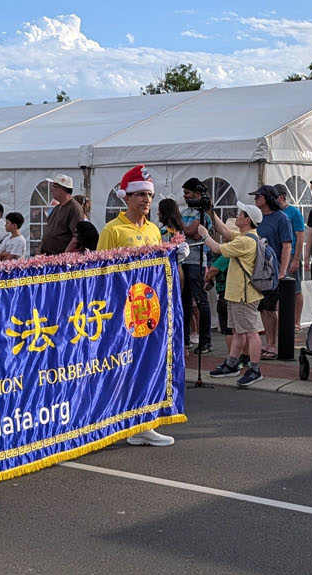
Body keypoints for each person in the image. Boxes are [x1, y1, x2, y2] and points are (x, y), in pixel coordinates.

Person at [95, 165, 173, 447]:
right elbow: (100, 272)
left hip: (147, 309)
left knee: (146, 364)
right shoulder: (112, 230)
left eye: (149, 195)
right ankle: (123, 420)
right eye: (139, 194)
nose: (145, 200)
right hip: (122, 309)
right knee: (124, 366)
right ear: (126, 197)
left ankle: (142, 423)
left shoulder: (153, 230)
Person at [201, 202, 267, 389]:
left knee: (251, 332)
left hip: (243, 295)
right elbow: (225, 232)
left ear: (247, 220)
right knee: (238, 331)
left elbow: (217, 248)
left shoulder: (245, 241)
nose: (237, 216)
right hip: (237, 294)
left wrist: (204, 234)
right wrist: (210, 211)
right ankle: (232, 364)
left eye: (240, 214)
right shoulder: (247, 237)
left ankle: (255, 369)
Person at [248, 184, 294, 359]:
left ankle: (273, 344)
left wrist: (282, 271)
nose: (255, 199)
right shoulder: (258, 217)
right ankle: (269, 342)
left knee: (270, 307)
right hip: (258, 270)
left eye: (258, 196)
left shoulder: (282, 218)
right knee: (263, 308)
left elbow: (287, 245)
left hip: (272, 270)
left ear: (267, 198)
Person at [179, 179, 214, 354]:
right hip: (183, 261)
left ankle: (205, 340)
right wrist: (184, 229)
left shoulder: (204, 214)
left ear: (197, 194)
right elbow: (182, 230)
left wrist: (183, 228)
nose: (185, 197)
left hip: (197, 262)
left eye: (188, 193)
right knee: (184, 301)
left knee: (200, 300)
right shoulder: (184, 212)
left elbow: (192, 232)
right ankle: (185, 339)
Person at [273, 183, 307, 328]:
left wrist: (296, 259)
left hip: (292, 254)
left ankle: (296, 321)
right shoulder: (274, 212)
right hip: (278, 255)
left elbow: (300, 236)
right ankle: (282, 320)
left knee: (296, 289)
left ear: (280, 197)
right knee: (279, 289)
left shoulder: (293, 212)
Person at [38, 175, 83, 255]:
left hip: (60, 258)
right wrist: (40, 250)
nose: (51, 190)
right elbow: (48, 231)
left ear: (62, 189)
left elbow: (77, 237)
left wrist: (65, 255)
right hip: (48, 256)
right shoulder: (57, 207)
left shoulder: (74, 208)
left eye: (54, 187)